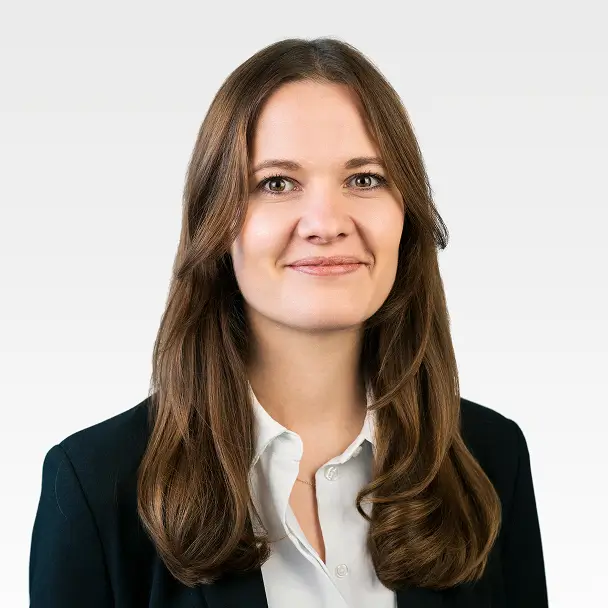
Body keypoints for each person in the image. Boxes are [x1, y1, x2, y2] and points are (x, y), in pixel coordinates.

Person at [29, 37, 548, 607]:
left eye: (365, 179)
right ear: (216, 220)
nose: (326, 223)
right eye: (277, 183)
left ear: (407, 215)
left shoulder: (490, 459)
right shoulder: (96, 485)